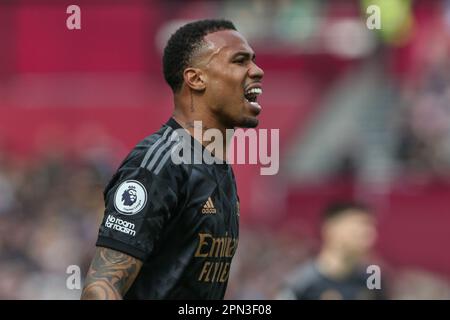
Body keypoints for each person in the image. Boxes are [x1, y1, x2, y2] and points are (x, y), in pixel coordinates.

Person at [80, 19, 264, 300]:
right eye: (240, 61)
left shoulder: (219, 170)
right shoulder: (158, 164)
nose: (257, 71)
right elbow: (100, 288)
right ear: (196, 78)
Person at [277, 202, 385, 300]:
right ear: (330, 229)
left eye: (371, 226)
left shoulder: (372, 280)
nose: (368, 233)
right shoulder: (301, 283)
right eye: (359, 225)